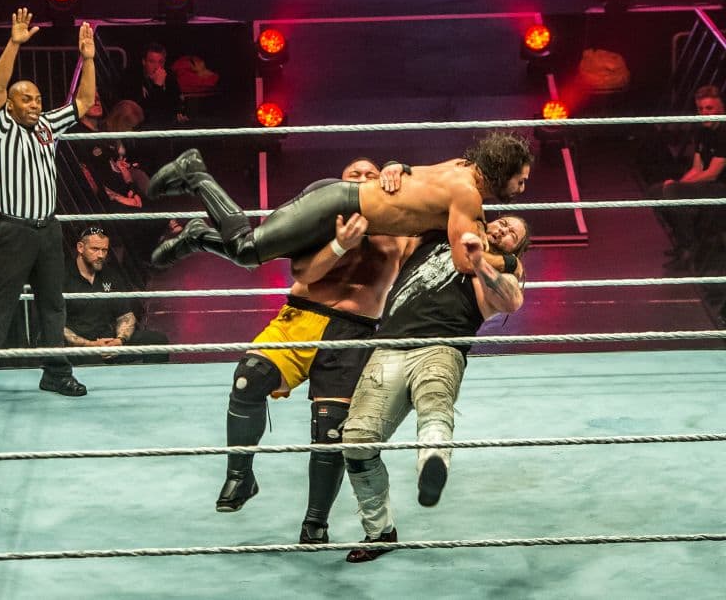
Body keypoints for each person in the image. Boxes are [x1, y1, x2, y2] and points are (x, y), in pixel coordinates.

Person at [213, 158, 406, 545]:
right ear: (340, 184)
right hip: (301, 317)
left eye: (372, 174)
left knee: (331, 429)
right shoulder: (321, 218)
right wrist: (339, 245)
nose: (364, 181)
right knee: (248, 378)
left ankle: (315, 522)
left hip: (353, 333)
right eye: (355, 176)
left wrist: (404, 169)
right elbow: (304, 274)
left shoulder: (403, 227)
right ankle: (240, 476)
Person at [341, 219, 529, 563]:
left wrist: (478, 260)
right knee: (356, 440)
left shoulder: (497, 273)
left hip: (441, 346)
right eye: (502, 223)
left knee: (434, 402)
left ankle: (432, 466)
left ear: (515, 250)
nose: (502, 231)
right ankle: (380, 532)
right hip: (389, 347)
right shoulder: (438, 237)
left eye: (512, 234)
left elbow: (512, 301)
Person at [148, 131, 533, 277]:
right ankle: (196, 175)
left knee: (273, 259)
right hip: (336, 206)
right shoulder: (466, 194)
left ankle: (197, 235)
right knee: (247, 250)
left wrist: (396, 166)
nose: (523, 187)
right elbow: (466, 263)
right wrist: (512, 261)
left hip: (338, 202)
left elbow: (412, 172)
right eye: (521, 179)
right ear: (503, 171)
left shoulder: (461, 167)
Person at [0, 8, 97, 411]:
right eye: (27, 98)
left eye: (38, 97)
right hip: (14, 231)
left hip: (48, 230)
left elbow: (85, 100)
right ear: (14, 104)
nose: (35, 103)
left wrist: (88, 58)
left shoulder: (48, 126)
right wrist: (15, 43)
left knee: (53, 307)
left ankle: (56, 373)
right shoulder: (2, 126)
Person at [63, 226, 169, 364]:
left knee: (157, 341)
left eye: (104, 250)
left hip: (108, 341)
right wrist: (90, 345)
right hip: (79, 346)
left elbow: (126, 316)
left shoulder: (110, 275)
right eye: (95, 249)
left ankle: (152, 383)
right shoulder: (61, 277)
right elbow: (56, 326)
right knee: (85, 359)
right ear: (80, 247)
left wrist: (119, 340)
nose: (100, 255)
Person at [649, 85, 726, 271]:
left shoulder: (724, 132)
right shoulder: (702, 132)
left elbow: (712, 173)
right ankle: (683, 242)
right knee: (656, 192)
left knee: (673, 191)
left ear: (720, 109)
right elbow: (697, 168)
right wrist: (676, 185)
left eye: (709, 109)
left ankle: (690, 249)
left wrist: (676, 187)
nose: (704, 113)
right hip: (708, 184)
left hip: (720, 186)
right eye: (701, 109)